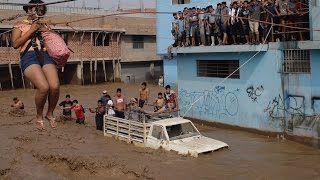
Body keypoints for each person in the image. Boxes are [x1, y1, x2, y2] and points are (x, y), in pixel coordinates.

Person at [11, 0, 58, 130]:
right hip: (29, 56)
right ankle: (39, 116)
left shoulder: (45, 24)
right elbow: (15, 44)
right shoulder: (19, 25)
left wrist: (46, 29)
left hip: (46, 55)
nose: (39, 13)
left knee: (54, 86)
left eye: (41, 11)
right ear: (27, 11)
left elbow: (54, 41)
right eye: (36, 10)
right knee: (43, 87)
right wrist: (31, 30)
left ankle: (50, 113)